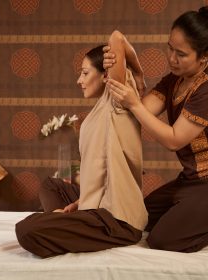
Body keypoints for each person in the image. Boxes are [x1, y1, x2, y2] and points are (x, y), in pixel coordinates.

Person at [104, 6, 208, 253]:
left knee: (162, 240)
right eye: (170, 48)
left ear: (204, 57)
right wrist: (134, 72)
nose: (172, 58)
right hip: (190, 182)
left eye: (181, 54)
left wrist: (133, 103)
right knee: (137, 220)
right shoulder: (174, 80)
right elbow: (134, 112)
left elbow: (174, 140)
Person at [15, 30, 148, 258]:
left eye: (85, 73)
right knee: (52, 185)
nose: (79, 80)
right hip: (96, 205)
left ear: (106, 75)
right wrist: (81, 200)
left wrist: (136, 71)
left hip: (117, 219)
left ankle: (64, 224)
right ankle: (68, 220)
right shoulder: (99, 109)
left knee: (26, 229)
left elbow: (116, 38)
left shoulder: (117, 100)